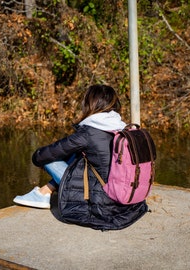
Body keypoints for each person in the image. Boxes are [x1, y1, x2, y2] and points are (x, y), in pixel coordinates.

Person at [13, 84, 148, 230]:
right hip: (120, 192)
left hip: (101, 199)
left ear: (90, 104)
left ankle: (43, 193)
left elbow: (40, 156)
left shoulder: (89, 131)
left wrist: (39, 159)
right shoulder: (121, 127)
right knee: (79, 153)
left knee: (49, 159)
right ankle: (45, 191)